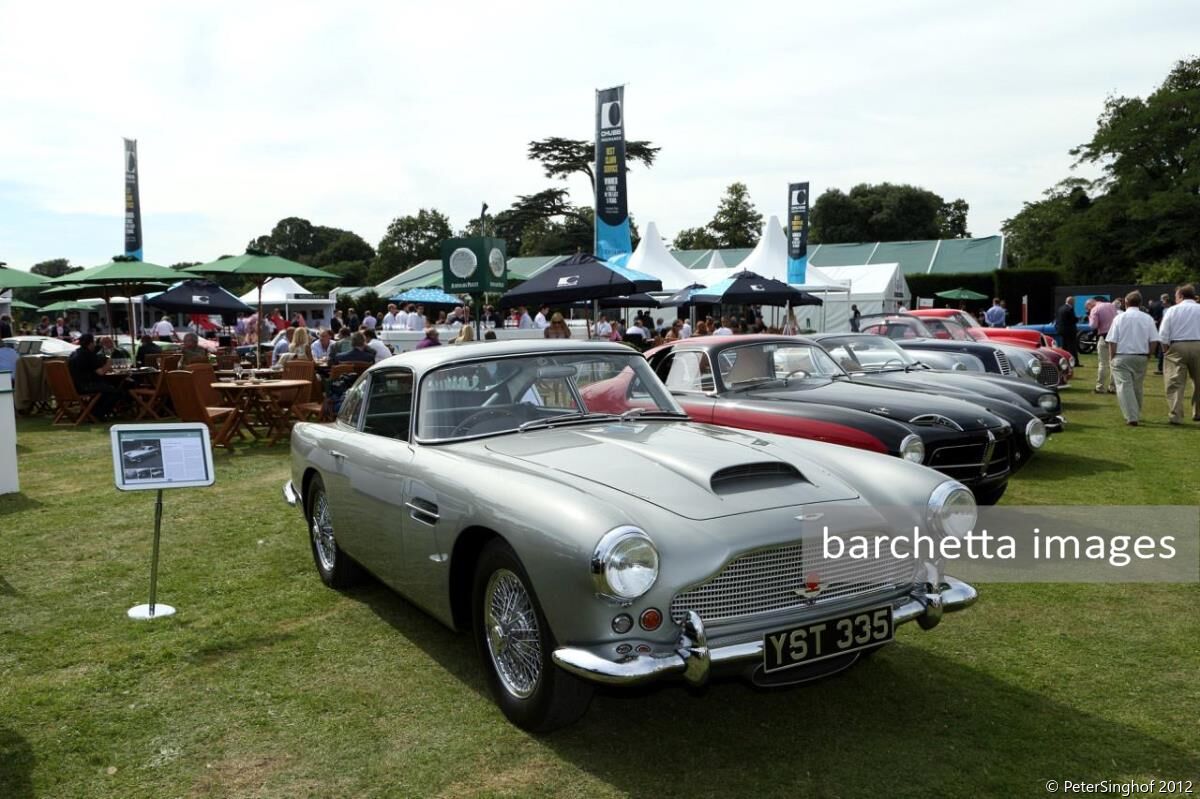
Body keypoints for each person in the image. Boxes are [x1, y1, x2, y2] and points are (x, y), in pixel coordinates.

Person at [1105, 292, 1161, 426]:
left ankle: (1132, 416)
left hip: (1122, 355)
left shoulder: (1119, 318)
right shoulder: (1147, 318)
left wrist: (1112, 357)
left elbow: (1112, 340)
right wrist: (1149, 354)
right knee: (1137, 387)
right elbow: (1154, 340)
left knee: (1124, 386)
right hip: (1141, 356)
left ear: (1125, 303)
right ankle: (1136, 412)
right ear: (1140, 303)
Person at [1159, 283, 1200, 425]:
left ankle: (1176, 415)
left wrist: (1165, 350)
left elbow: (1163, 334)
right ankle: (1198, 412)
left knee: (1175, 382)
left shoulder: (1172, 310)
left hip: (1177, 346)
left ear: (1181, 296)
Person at [68, 334, 124, 419]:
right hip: (86, 386)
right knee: (114, 392)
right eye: (93, 342)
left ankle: (91, 412)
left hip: (74, 386)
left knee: (106, 388)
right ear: (90, 343)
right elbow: (101, 372)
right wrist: (109, 363)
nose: (95, 344)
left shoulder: (74, 353)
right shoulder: (89, 354)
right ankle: (96, 414)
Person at [1089, 296, 1118, 394]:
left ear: (1090, 305)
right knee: (1113, 363)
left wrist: (1090, 317)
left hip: (1104, 336)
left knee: (1103, 364)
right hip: (1115, 337)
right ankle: (1113, 387)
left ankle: (1100, 387)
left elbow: (1093, 325)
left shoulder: (1095, 309)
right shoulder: (1111, 305)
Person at [1055, 296, 1080, 366]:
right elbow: (1073, 320)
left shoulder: (1060, 308)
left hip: (1062, 330)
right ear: (1071, 302)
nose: (1074, 303)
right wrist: (1078, 319)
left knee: (1064, 347)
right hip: (1070, 331)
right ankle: (1075, 362)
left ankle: (1064, 361)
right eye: (1074, 302)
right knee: (1072, 347)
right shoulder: (1070, 309)